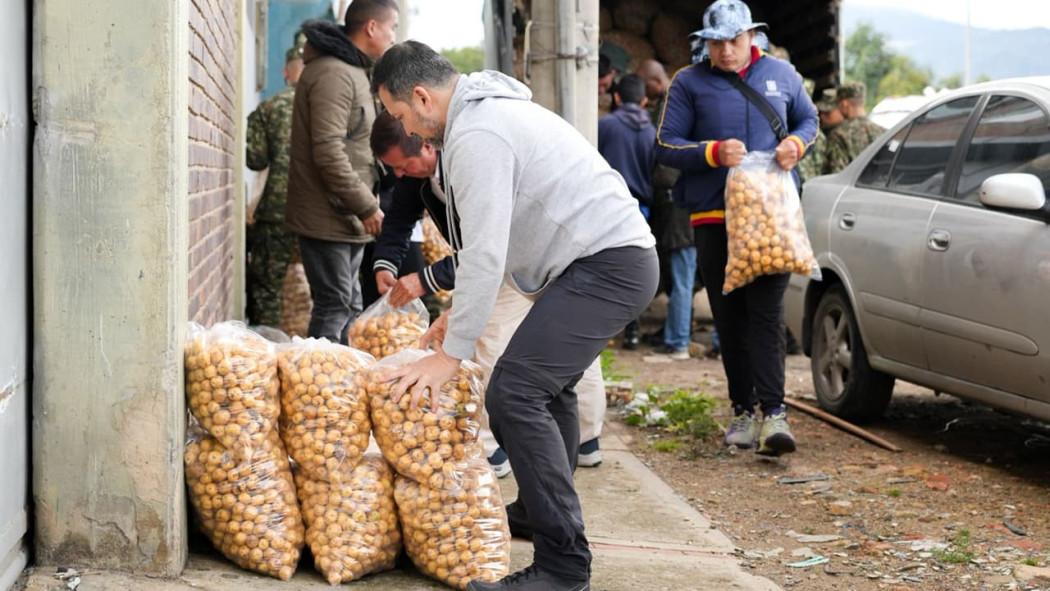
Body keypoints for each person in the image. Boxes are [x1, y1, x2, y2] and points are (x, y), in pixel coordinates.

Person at [373, 41, 658, 591]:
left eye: (400, 115)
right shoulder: (483, 119)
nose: (406, 127)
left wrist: (452, 356)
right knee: (549, 390)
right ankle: (537, 511)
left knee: (514, 393)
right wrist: (454, 319)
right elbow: (498, 246)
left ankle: (562, 567)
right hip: (598, 262)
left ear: (422, 96)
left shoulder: (476, 135)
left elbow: (482, 252)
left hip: (607, 264)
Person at [368, 111, 609, 477]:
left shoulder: (472, 159)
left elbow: (490, 246)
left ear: (428, 145)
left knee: (493, 339)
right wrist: (385, 263)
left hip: (529, 255)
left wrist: (429, 279)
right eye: (393, 170)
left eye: (403, 166)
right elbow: (400, 219)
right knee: (554, 344)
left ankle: (495, 447)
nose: (399, 175)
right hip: (504, 258)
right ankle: (580, 440)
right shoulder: (414, 171)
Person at [655, 0, 818, 456]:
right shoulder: (689, 82)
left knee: (766, 316)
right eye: (716, 43)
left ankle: (775, 414)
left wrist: (795, 143)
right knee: (730, 318)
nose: (725, 51)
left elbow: (810, 120)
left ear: (751, 36)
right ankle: (742, 410)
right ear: (704, 44)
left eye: (734, 40)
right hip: (713, 216)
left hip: (770, 217)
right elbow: (666, 145)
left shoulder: (782, 75)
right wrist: (711, 153)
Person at [285, 0, 398, 343]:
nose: (394, 37)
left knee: (350, 304)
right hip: (329, 214)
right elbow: (329, 152)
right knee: (334, 306)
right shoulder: (334, 73)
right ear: (372, 28)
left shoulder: (354, 71)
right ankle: (317, 390)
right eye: (392, 27)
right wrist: (365, 205)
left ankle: (339, 388)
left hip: (346, 216)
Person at [245, 45, 304, 328]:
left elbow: (255, 160)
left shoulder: (268, 108)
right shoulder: (330, 105)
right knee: (330, 294)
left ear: (285, 72)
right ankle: (323, 358)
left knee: (266, 288)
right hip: (320, 215)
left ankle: (264, 353)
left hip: (276, 212)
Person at [598, 74, 656, 351]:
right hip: (640, 209)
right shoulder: (652, 132)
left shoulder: (604, 126)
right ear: (645, 100)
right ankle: (632, 332)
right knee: (632, 272)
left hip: (607, 207)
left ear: (617, 97)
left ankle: (600, 331)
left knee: (600, 268)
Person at [825, 81, 884, 174]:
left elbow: (837, 174)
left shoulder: (838, 135)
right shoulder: (883, 132)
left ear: (844, 104)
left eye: (838, 104)